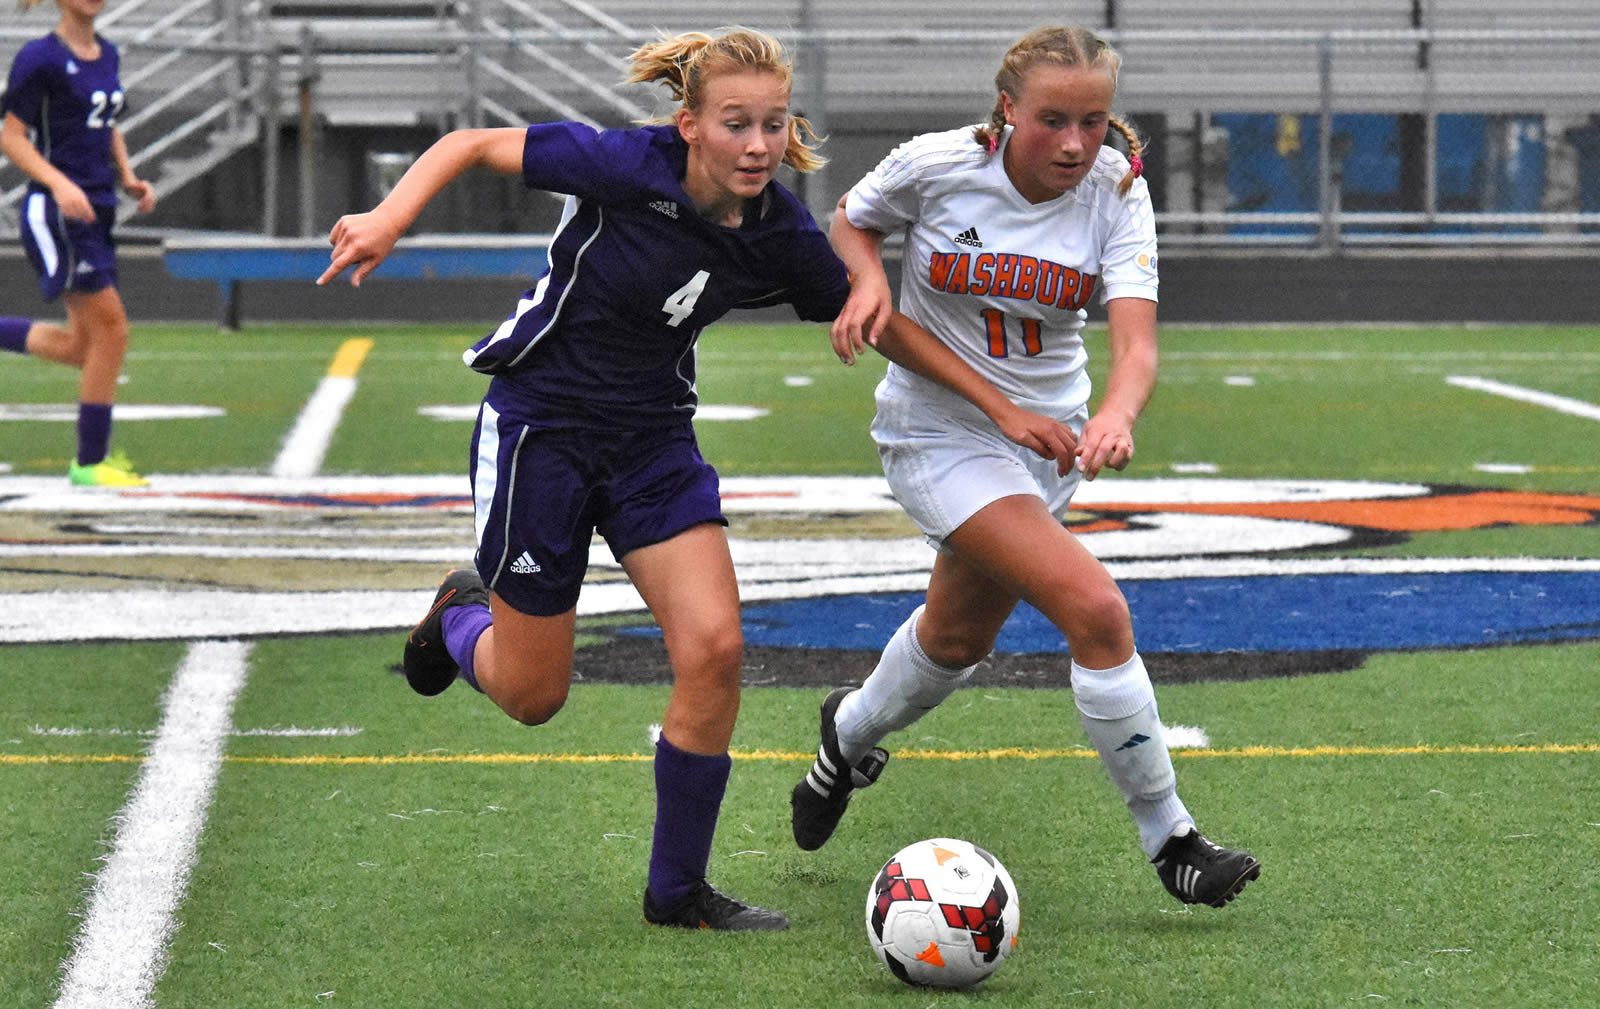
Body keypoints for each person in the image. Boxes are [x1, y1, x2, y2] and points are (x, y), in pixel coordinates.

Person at [319, 26, 1063, 932]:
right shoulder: (624, 165)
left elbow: (885, 325)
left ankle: (677, 892)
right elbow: (470, 143)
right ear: (689, 126)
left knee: (714, 648)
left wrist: (1000, 407)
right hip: (539, 432)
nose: (757, 144)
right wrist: (389, 218)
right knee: (531, 695)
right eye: (735, 124)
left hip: (653, 446)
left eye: (772, 125)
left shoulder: (779, 231)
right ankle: (457, 615)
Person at [790, 25, 1261, 909]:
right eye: (1053, 120)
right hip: (938, 434)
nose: (1076, 143)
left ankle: (845, 737)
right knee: (1095, 608)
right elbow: (848, 222)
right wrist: (866, 282)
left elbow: (1137, 345)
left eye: (1093, 120)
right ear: (1007, 109)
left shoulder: (1117, 191)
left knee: (957, 639)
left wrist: (1116, 416)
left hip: (1048, 445)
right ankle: (1173, 839)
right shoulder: (935, 164)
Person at [0, 0, 156, 487]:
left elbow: (106, 123)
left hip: (97, 207)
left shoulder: (106, 53)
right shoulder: (39, 57)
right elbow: (12, 137)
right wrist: (59, 184)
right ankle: (89, 463)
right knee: (113, 330)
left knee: (83, 347)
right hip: (57, 213)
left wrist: (128, 175)